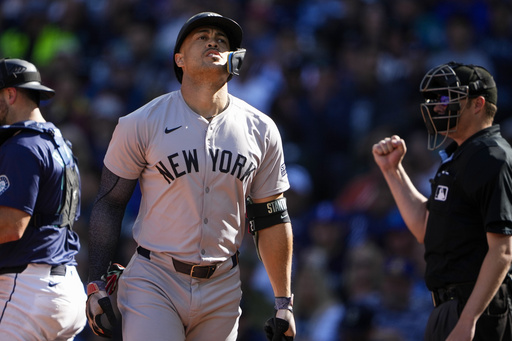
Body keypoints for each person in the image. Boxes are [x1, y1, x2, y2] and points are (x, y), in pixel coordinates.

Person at [86, 12, 296, 341]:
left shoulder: (261, 129)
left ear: (234, 60)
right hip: (155, 278)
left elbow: (271, 217)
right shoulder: (141, 122)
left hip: (223, 286)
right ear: (179, 59)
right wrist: (96, 284)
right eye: (201, 36)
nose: (213, 40)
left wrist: (284, 302)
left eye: (222, 40)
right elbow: (110, 203)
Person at [372, 61, 512, 340]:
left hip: (477, 310)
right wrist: (393, 171)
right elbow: (425, 228)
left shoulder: (491, 156)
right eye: (435, 99)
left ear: (478, 103)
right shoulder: (459, 158)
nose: (437, 106)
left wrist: (468, 320)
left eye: (447, 98)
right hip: (449, 307)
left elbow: (503, 250)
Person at [0, 58, 86, 340]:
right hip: (66, 288)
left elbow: (11, 226)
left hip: (27, 291)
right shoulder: (57, 141)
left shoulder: (22, 146)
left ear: (10, 94)